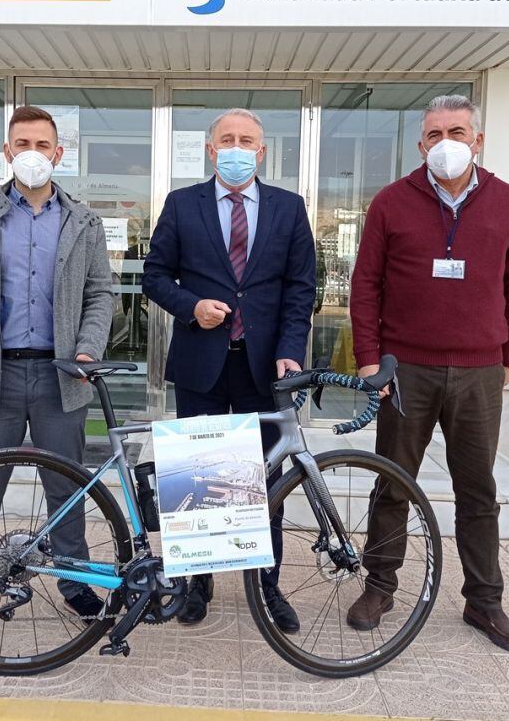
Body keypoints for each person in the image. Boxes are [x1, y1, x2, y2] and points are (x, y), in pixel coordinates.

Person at [348, 94, 509, 653]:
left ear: (478, 140)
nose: (446, 142)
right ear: (421, 144)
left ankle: (484, 600)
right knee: (393, 483)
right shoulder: (390, 203)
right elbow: (365, 285)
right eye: (435, 134)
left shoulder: (507, 202)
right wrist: (369, 359)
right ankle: (380, 586)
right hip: (407, 369)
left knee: (478, 489)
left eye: (457, 131)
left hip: (479, 369)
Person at [0, 105, 115, 639]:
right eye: (22, 144)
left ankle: (75, 582)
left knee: (67, 486)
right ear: (8, 151)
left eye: (42, 145)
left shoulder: (84, 222)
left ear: (58, 154)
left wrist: (86, 349)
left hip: (62, 376)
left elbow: (100, 294)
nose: (32, 154)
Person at [142, 107, 316, 632]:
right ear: (211, 150)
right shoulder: (181, 204)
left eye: (247, 141)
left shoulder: (289, 208)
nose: (236, 148)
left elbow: (300, 288)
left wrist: (291, 348)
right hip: (203, 365)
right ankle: (199, 583)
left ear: (261, 152)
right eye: (227, 140)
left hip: (266, 366)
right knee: (201, 479)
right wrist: (191, 306)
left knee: (267, 482)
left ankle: (268, 584)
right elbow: (155, 276)